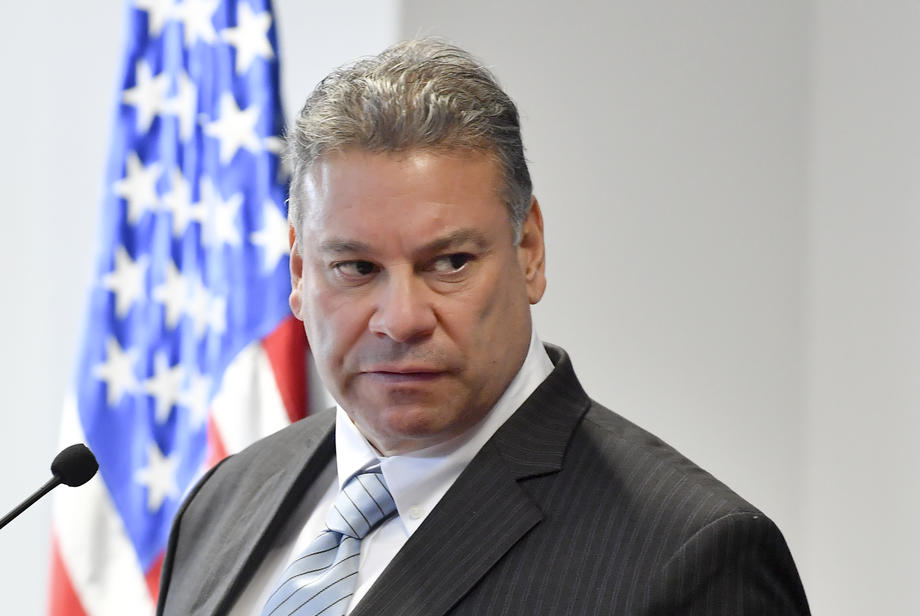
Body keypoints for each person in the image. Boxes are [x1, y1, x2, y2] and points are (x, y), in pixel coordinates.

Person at [156, 39, 810, 616]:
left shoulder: (694, 558)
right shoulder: (221, 501)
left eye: (450, 263)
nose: (401, 320)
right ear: (300, 273)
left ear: (530, 252)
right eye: (356, 267)